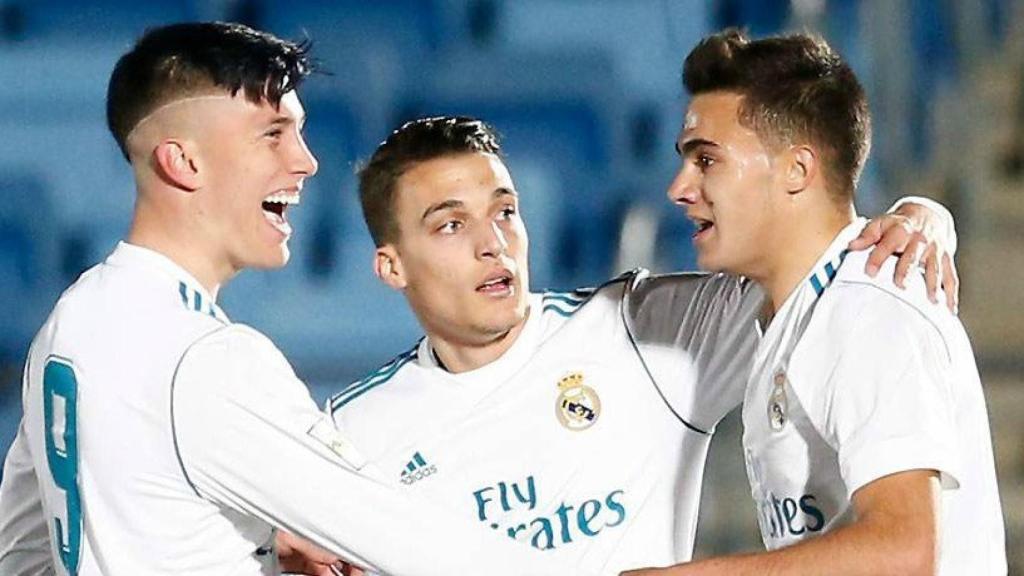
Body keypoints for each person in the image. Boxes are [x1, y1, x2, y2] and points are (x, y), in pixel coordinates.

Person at [0, 22, 589, 576]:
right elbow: (418, 544)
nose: (306, 162)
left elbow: (22, 554)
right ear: (182, 161)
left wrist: (257, 543)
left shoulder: (71, 318)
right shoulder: (210, 358)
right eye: (273, 135)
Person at [323, 115, 959, 575]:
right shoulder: (354, 433)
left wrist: (920, 214)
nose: (492, 243)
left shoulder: (634, 329)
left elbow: (815, 259)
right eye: (452, 224)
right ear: (392, 265)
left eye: (505, 211)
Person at [624, 30, 1005, 575]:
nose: (678, 188)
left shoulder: (868, 308)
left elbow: (904, 551)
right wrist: (925, 211)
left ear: (797, 170)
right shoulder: (793, 307)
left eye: (706, 160)